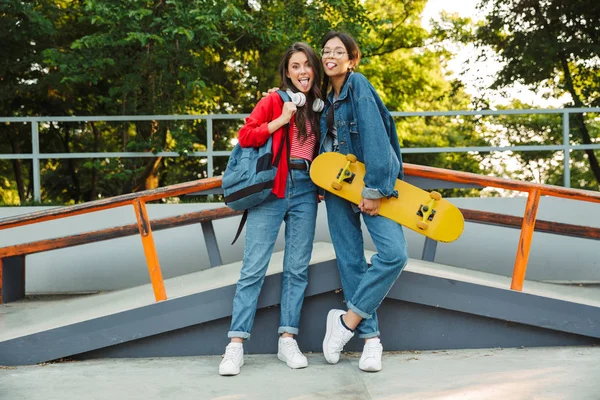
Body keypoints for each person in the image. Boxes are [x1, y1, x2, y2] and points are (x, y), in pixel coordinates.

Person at [219, 42, 323, 376]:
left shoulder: (321, 107)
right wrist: (281, 120)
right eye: (295, 66)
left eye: (307, 65)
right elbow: (246, 134)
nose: (302, 71)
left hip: (307, 189)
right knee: (254, 268)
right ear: (287, 72)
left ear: (314, 70)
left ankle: (287, 338)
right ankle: (235, 345)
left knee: (297, 269)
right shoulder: (274, 100)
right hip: (273, 190)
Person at [318, 31, 408, 372]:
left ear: (351, 59)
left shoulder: (358, 86)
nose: (331, 55)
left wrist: (373, 190)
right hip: (336, 188)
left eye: (338, 51)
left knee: (394, 254)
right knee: (350, 260)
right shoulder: (327, 99)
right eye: (326, 50)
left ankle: (346, 322)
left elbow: (375, 138)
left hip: (370, 187)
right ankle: (371, 342)